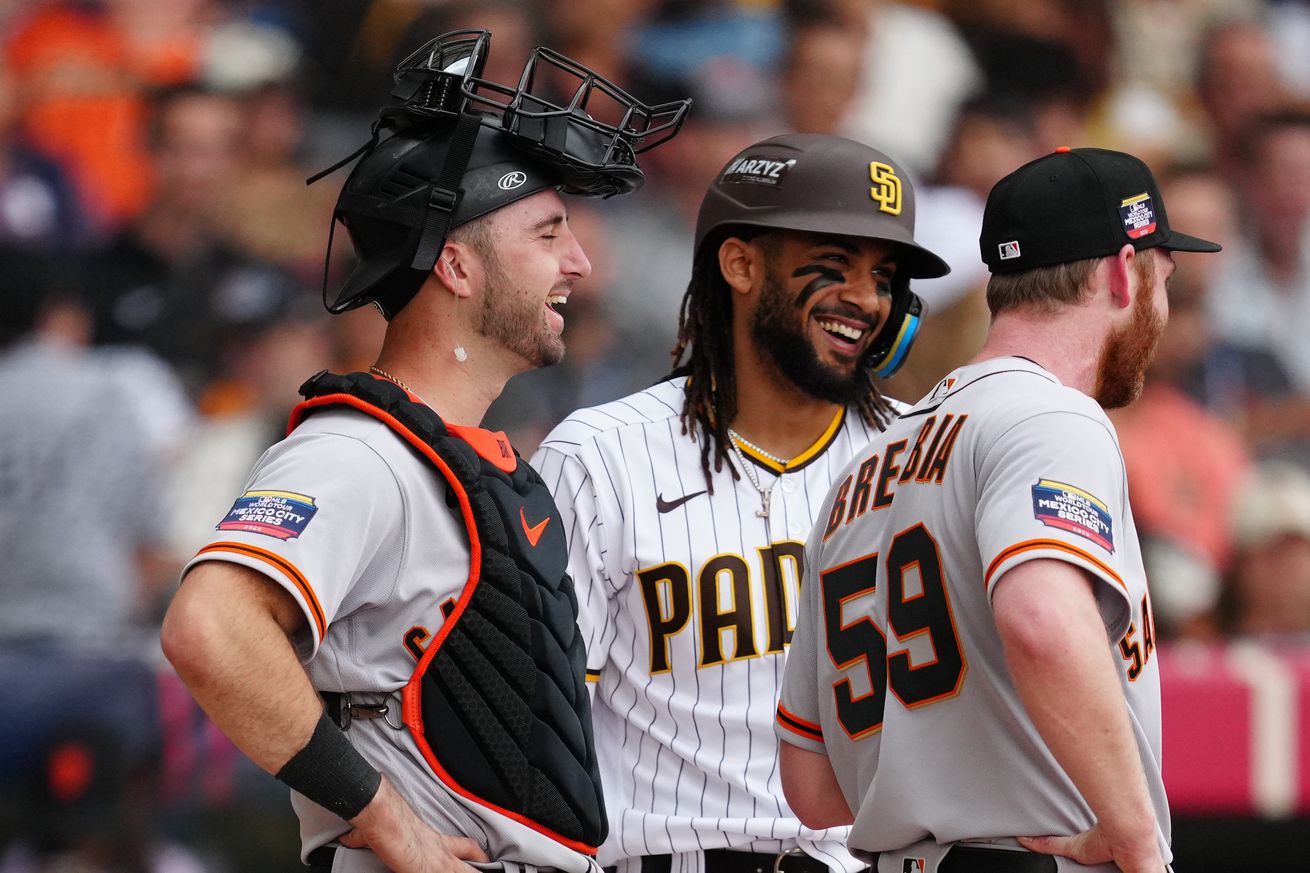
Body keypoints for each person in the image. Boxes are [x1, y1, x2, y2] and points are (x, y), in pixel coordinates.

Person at [159, 30, 688, 873]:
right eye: (549, 232)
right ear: (455, 263)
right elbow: (211, 627)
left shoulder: (471, 458)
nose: (580, 263)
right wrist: (387, 821)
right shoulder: (361, 451)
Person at [777, 147, 1221, 873]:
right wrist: (1137, 838)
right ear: (1121, 271)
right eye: (1161, 278)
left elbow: (815, 786)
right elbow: (1040, 619)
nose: (1163, 308)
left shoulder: (868, 461)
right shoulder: (1051, 417)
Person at [531, 133, 950, 873]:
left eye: (884, 276)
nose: (867, 298)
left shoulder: (924, 457)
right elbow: (544, 725)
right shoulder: (600, 455)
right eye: (837, 262)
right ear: (742, 262)